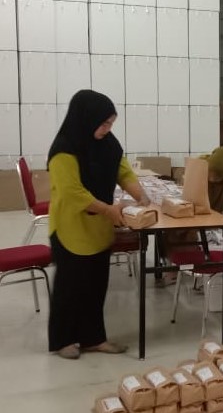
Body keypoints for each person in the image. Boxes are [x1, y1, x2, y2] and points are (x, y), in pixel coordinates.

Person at [48, 90, 149, 360]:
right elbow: (73, 193)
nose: (107, 129)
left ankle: (93, 339)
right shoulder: (64, 150)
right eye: (104, 124)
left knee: (95, 286)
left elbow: (122, 171)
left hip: (99, 228)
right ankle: (63, 340)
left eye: (111, 124)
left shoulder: (107, 143)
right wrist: (108, 210)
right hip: (71, 227)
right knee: (70, 287)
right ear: (86, 119)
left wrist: (141, 197)